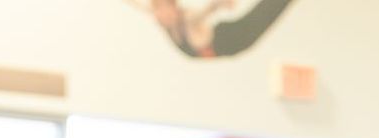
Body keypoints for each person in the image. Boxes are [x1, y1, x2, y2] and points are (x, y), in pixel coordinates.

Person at [127, 0, 296, 59]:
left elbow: (200, 16)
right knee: (268, 10)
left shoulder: (186, 19)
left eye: (164, 10)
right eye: (158, 11)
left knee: (267, 10)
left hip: (231, 38)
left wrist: (215, 5)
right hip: (227, 42)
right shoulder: (161, 17)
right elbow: (139, 5)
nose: (161, 16)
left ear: (174, 8)